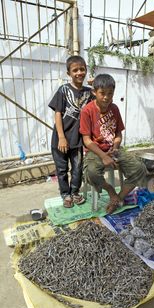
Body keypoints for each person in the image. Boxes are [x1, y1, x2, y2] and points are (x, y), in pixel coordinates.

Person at [79, 73, 147, 214]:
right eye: (102, 93)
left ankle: (118, 198)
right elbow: (87, 141)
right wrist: (104, 156)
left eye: (110, 93)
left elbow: (118, 134)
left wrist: (115, 148)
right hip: (95, 151)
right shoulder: (87, 111)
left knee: (139, 168)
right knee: (90, 173)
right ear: (94, 92)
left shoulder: (114, 108)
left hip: (113, 149)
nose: (106, 97)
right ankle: (110, 190)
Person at [49, 55, 94, 208]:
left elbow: (104, 101)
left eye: (82, 69)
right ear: (68, 73)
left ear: (86, 70)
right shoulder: (63, 90)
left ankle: (74, 192)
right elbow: (57, 113)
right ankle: (65, 194)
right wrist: (61, 137)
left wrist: (95, 86)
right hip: (60, 140)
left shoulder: (89, 93)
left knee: (77, 168)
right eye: (75, 70)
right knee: (62, 170)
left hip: (77, 140)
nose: (79, 73)